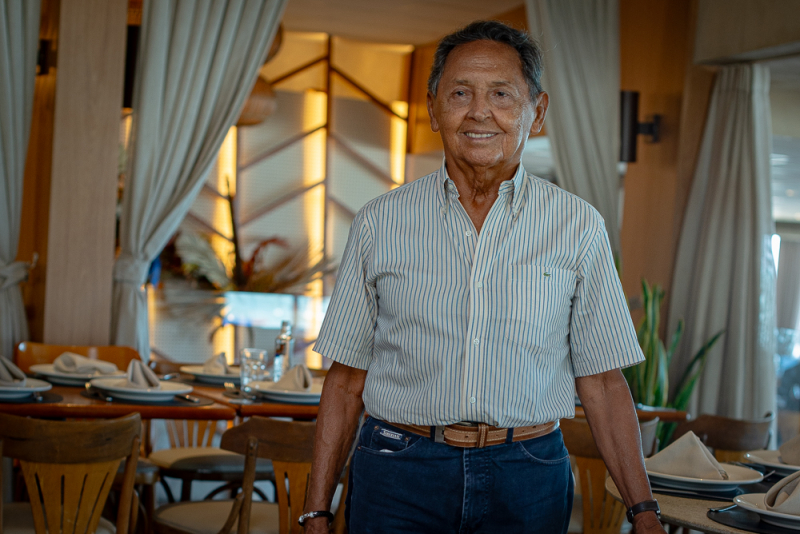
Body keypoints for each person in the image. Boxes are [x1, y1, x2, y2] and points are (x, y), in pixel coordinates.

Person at [301, 20, 666, 534]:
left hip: (529, 473)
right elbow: (344, 383)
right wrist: (316, 510)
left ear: (537, 111)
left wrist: (643, 512)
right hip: (398, 468)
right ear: (433, 108)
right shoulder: (379, 222)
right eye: (460, 93)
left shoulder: (578, 226)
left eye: (501, 94)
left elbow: (604, 383)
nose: (479, 111)